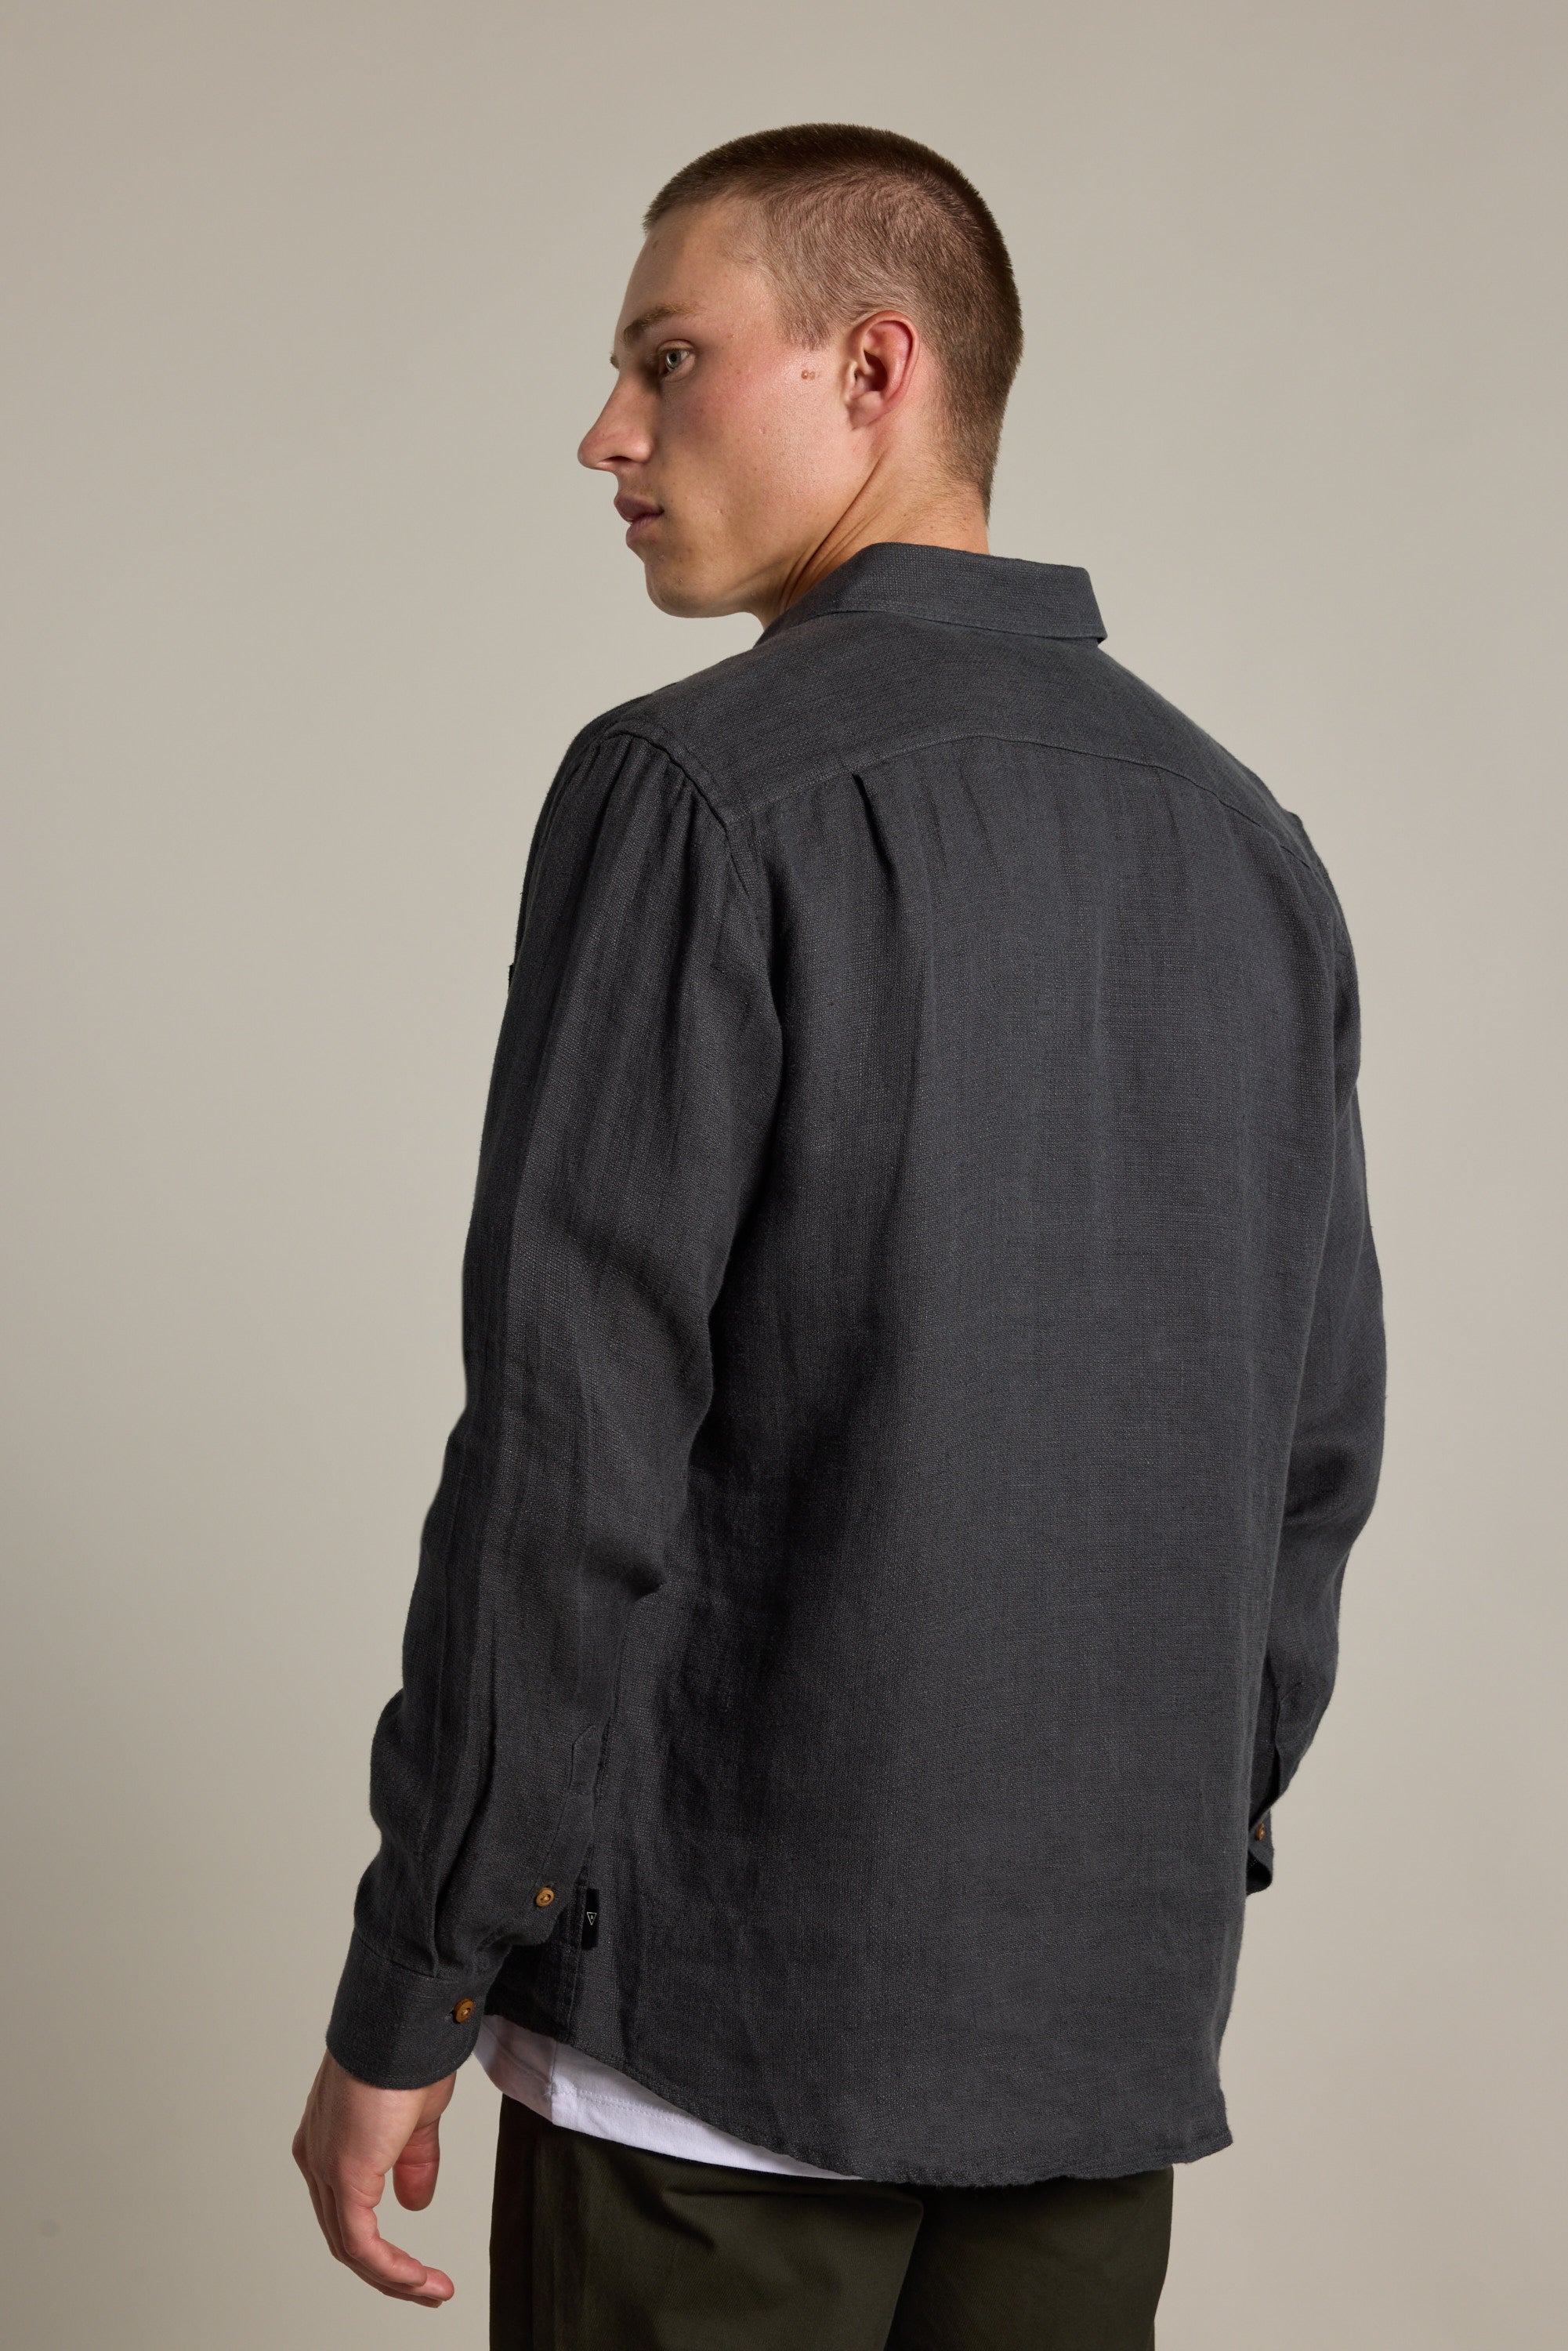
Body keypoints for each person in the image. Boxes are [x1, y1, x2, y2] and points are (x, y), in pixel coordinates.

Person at [293, 123, 1385, 2348]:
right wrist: (1144, 1868)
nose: (606, 431)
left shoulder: (689, 789)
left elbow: (568, 1458)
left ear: (873, 367)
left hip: (712, 2055)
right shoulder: (1245, 844)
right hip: (1095, 2049)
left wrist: (421, 1966)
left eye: (666, 360)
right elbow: (1306, 1457)